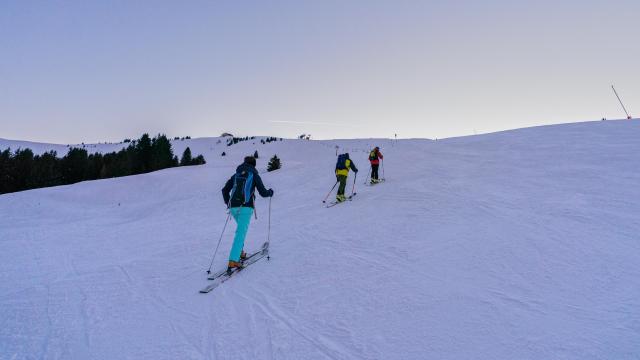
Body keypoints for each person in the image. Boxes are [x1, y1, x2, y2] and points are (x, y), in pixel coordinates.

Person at [222, 156, 273, 272]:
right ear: (254, 165)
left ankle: (239, 252)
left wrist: (228, 203)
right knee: (241, 232)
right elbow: (263, 192)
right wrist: (270, 192)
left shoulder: (236, 175)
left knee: (240, 231)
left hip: (234, 207)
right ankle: (233, 260)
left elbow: (224, 190)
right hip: (246, 207)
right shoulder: (253, 174)